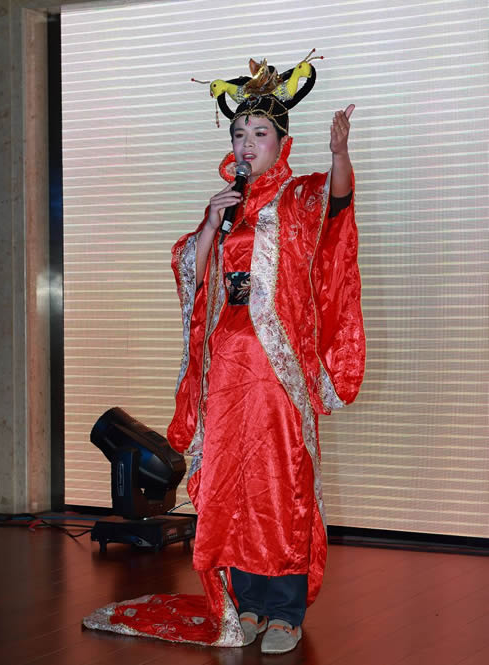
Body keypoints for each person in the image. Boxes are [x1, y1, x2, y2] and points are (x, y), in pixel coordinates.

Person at [83, 55, 365, 653]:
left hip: (276, 373)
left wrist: (340, 155)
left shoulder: (297, 197)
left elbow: (337, 205)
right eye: (239, 134)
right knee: (231, 488)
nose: (246, 143)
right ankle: (247, 604)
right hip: (226, 374)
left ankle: (285, 611)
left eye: (259, 133)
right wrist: (211, 226)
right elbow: (192, 273)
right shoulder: (226, 204)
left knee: (280, 485)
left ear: (281, 143)